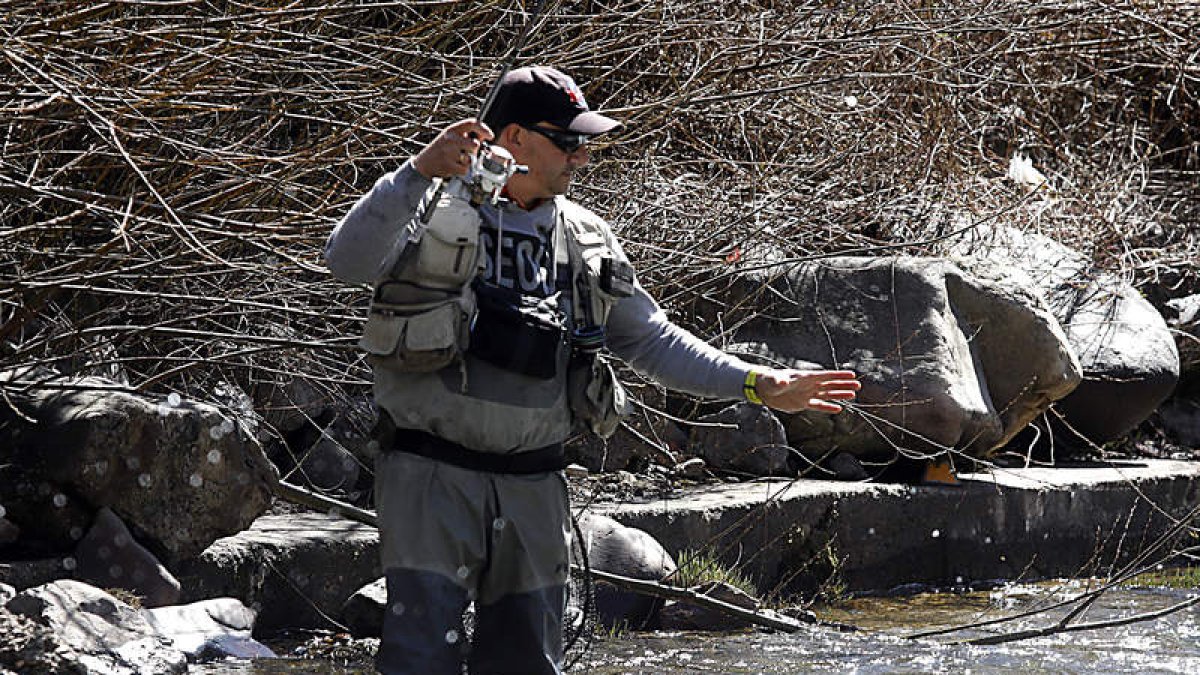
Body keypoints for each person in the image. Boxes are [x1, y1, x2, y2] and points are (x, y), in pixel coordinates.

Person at [324, 66, 861, 675]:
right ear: (516, 138)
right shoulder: (423, 202)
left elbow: (652, 340)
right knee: (419, 662)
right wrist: (419, 170)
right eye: (568, 141)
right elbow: (346, 260)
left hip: (534, 491)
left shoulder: (586, 237)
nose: (581, 156)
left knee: (527, 663)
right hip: (430, 479)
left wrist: (758, 382)